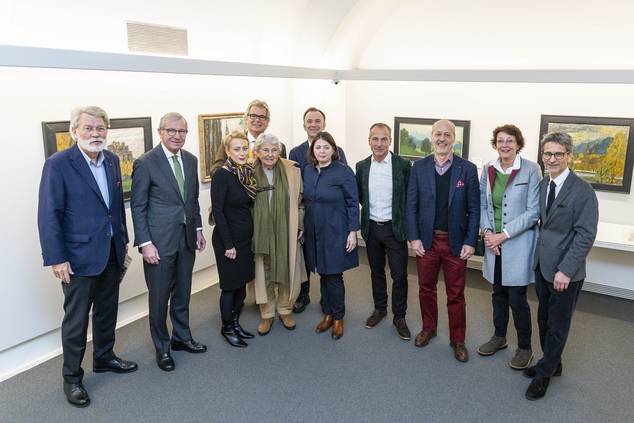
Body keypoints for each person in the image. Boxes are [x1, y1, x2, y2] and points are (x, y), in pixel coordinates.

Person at [38, 106, 138, 408]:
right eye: (89, 128)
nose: (96, 134)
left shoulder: (111, 159)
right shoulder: (58, 165)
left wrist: (122, 240)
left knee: (107, 311)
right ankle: (72, 378)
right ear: (74, 131)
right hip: (78, 258)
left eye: (100, 128)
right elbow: (48, 215)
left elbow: (116, 207)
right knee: (77, 321)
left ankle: (105, 357)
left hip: (110, 252)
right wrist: (58, 259)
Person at [524, 132, 598, 400]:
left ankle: (544, 375)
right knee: (543, 319)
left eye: (557, 154)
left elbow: (585, 235)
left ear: (569, 156)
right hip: (543, 267)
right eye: (547, 154)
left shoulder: (583, 191)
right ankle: (552, 363)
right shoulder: (545, 184)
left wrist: (566, 270)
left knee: (557, 324)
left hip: (566, 273)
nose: (551, 159)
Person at [131, 112, 207, 371]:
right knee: (159, 297)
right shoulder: (146, 163)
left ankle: (182, 337)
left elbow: (192, 199)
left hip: (186, 239)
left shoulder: (190, 159)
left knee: (183, 292)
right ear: (160, 132)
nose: (177, 136)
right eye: (171, 131)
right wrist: (145, 243)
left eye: (182, 131)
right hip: (159, 244)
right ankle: (162, 349)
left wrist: (197, 228)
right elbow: (138, 206)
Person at [406, 119, 480, 362]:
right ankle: (429, 328)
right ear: (431, 136)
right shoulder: (419, 167)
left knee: (455, 293)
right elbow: (411, 205)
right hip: (426, 242)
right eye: (438, 134)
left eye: (447, 134)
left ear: (454, 139)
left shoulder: (466, 169)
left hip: (455, 243)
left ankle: (457, 339)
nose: (442, 138)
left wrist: (471, 241)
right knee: (426, 289)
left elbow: (474, 208)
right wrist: (414, 237)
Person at [477, 124, 541, 370]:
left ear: (518, 144)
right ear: (495, 144)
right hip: (494, 244)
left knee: (518, 298)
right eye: (501, 140)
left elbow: (533, 212)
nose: (505, 145)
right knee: (497, 294)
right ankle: (499, 337)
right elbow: (483, 205)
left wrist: (502, 235)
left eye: (510, 141)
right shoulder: (488, 169)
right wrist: (487, 233)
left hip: (517, 244)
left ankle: (525, 347)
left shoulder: (531, 170)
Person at [355, 123, 412, 340]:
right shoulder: (361, 166)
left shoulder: (402, 165)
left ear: (390, 141)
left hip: (394, 229)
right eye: (375, 139)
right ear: (369, 140)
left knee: (399, 276)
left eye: (384, 139)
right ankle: (380, 309)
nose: (379, 144)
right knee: (376, 272)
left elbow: (408, 197)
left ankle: (400, 317)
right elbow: (360, 196)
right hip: (371, 228)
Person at [289, 107, 347, 313]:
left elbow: (345, 190)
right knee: (304, 257)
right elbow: (295, 189)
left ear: (324, 124)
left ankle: (327, 300)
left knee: (328, 263)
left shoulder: (337, 151)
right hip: (307, 216)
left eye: (317, 121)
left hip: (330, 219)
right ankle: (303, 295)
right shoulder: (295, 153)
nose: (313, 124)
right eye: (309, 121)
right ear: (303, 124)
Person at [303, 131, 359, 340]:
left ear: (334, 150)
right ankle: (327, 313)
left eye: (326, 147)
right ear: (313, 150)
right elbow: (304, 201)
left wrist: (352, 232)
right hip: (314, 231)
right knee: (322, 273)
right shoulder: (308, 171)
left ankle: (338, 318)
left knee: (334, 274)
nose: (322, 151)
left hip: (336, 230)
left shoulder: (343, 172)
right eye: (318, 147)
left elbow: (353, 203)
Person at [252, 133, 306, 335]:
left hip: (286, 228)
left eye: (274, 150)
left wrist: (300, 224)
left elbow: (301, 201)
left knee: (286, 268)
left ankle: (284, 310)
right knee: (264, 272)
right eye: (265, 150)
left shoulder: (292, 170)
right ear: (257, 152)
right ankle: (267, 314)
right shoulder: (248, 170)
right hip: (261, 230)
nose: (270, 154)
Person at [210, 131, 256, 347]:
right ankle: (227, 327)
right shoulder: (222, 174)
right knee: (230, 286)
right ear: (227, 151)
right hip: (228, 242)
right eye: (236, 149)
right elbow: (218, 211)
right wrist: (229, 244)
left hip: (245, 239)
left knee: (241, 284)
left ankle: (236, 323)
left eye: (244, 148)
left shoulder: (245, 172)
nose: (241, 152)